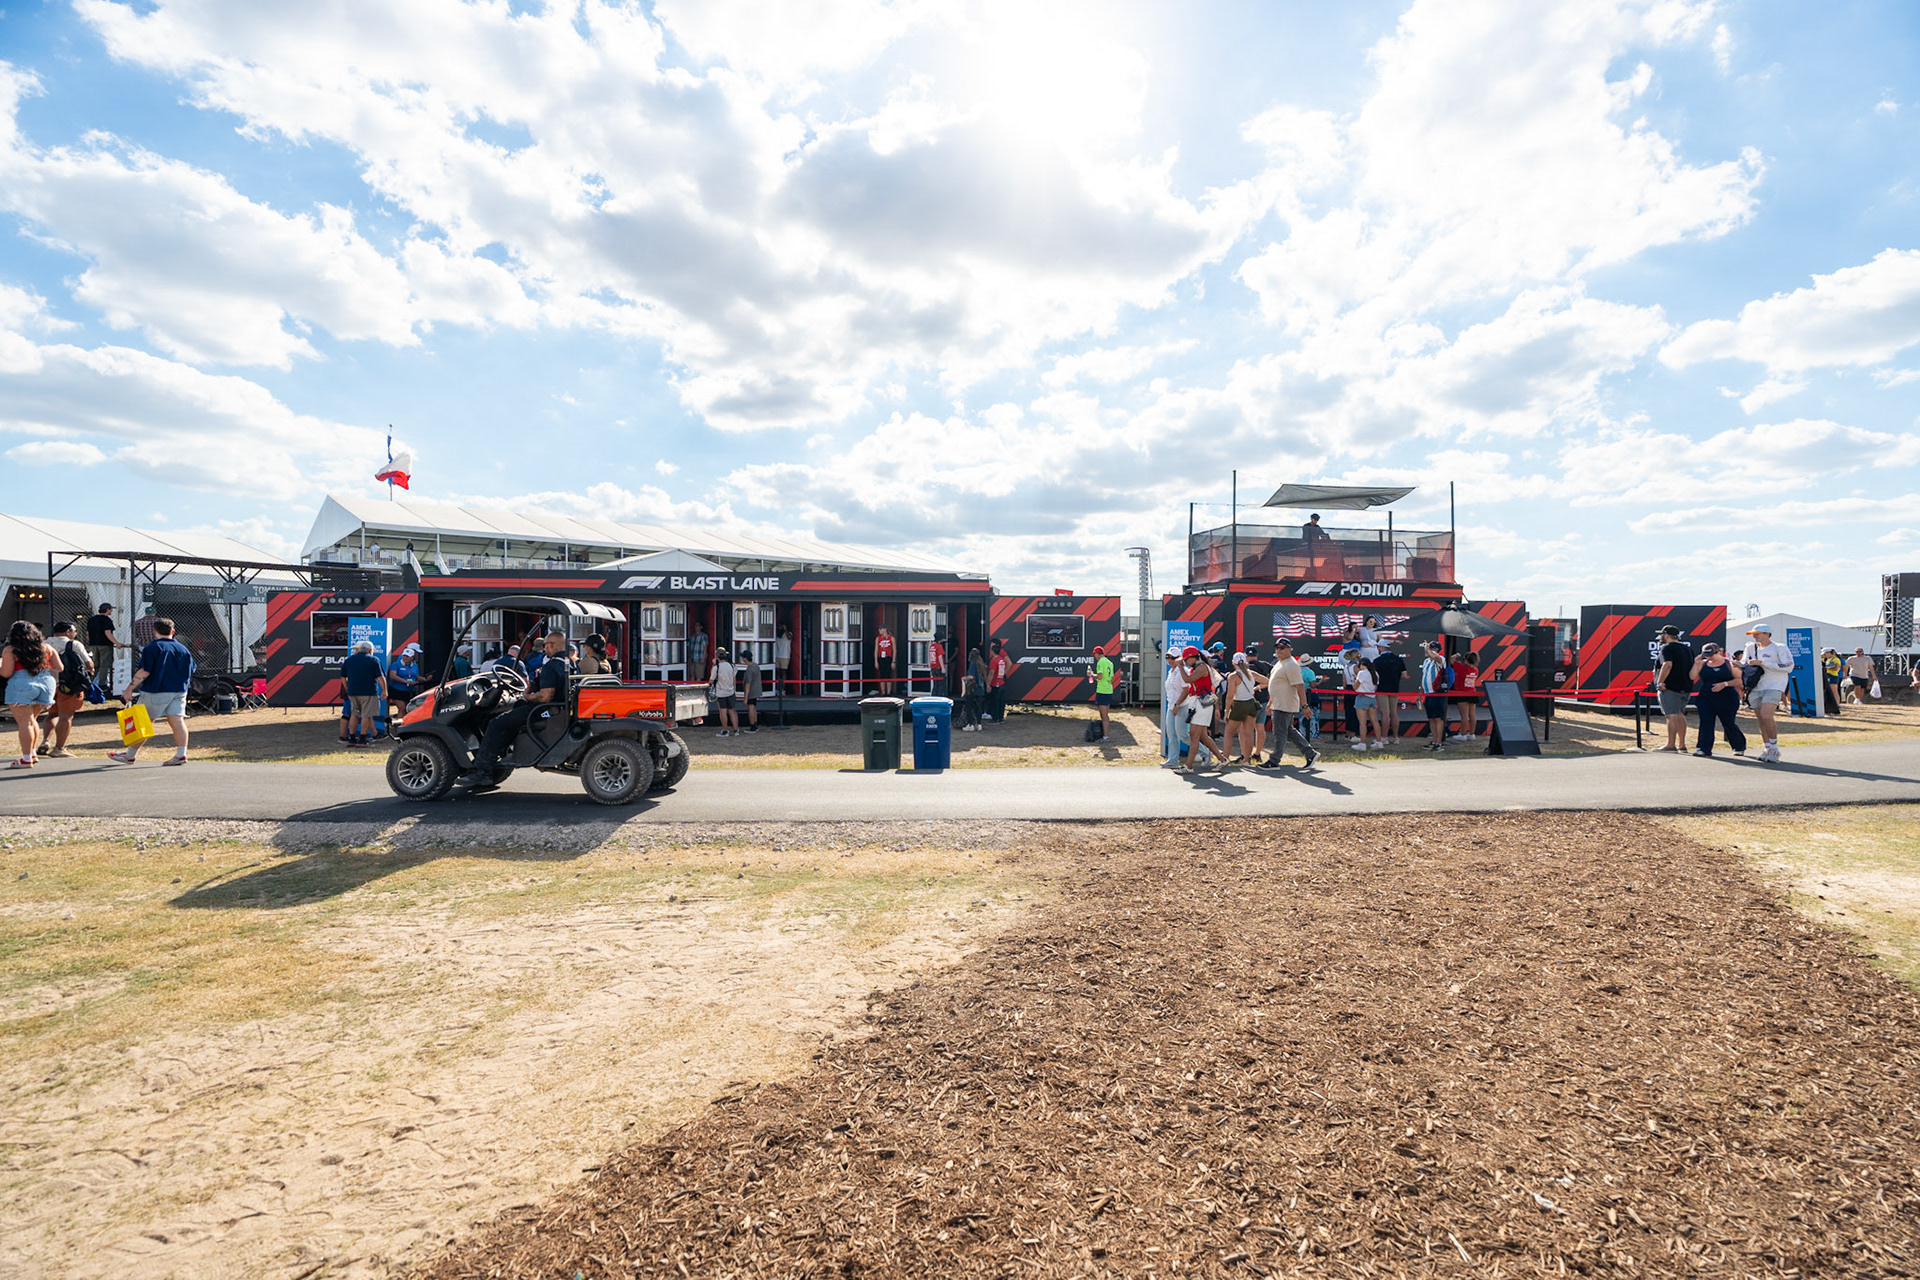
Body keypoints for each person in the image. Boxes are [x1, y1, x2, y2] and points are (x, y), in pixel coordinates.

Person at [456, 630, 570, 788]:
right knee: (514, 711)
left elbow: (545, 696)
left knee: (496, 723)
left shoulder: (551, 666)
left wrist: (528, 696)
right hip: (557, 709)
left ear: (551, 645)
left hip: (544, 710)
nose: (544, 649)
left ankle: (483, 771)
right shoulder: (570, 663)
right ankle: (498, 755)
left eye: (545, 646)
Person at [108, 616, 193, 766]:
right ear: (173, 631)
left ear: (154, 631)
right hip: (179, 690)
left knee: (144, 722)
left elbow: (144, 671)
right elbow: (191, 669)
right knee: (177, 720)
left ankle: (130, 755)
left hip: (156, 690)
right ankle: (181, 754)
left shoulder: (152, 648)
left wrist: (129, 689)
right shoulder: (183, 649)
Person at [4, 620, 62, 768]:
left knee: (25, 723)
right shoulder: (46, 648)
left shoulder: (11, 650)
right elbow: (59, 667)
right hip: (46, 683)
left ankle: (26, 758)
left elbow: (6, 673)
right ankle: (32, 752)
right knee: (32, 720)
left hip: (21, 684)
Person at [1258, 637, 1318, 768]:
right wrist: (1271, 702)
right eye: (1277, 647)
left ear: (1290, 649)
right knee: (1288, 730)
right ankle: (1310, 753)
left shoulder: (1291, 664)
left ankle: (1274, 760)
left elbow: (1299, 686)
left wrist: (1304, 706)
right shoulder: (1280, 663)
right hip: (1279, 703)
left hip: (1285, 704)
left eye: (1282, 647)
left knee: (1279, 732)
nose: (1279, 650)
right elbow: (1277, 684)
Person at [37, 620, 93, 758]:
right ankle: (59, 748)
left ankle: (45, 741)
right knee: (66, 716)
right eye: (74, 631)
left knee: (52, 714)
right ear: (68, 632)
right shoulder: (74, 644)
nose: (75, 633)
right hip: (69, 684)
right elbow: (88, 663)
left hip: (48, 683)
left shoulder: (44, 644)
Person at [1742, 624, 1793, 763]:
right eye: (1753, 634)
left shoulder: (1779, 647)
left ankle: (1774, 748)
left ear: (1767, 634)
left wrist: (1763, 663)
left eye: (1757, 633)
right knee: (1761, 718)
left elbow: (1788, 666)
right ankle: (1767, 747)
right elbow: (1743, 663)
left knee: (1766, 715)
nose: (1754, 636)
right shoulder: (1750, 647)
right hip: (1755, 686)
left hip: (1774, 685)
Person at [1690, 643, 1747, 757]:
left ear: (1718, 652)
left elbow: (1740, 679)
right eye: (1706, 655)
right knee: (1706, 722)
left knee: (1728, 722)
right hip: (1706, 697)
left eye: (1711, 654)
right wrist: (1696, 663)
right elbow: (1692, 676)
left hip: (1727, 697)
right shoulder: (1703, 663)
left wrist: (1725, 684)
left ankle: (1739, 746)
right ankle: (1703, 748)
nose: (1709, 657)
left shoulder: (1729, 663)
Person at [1179, 647, 1222, 772]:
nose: (1185, 662)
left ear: (1193, 657)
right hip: (1198, 704)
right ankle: (1222, 759)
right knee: (1203, 736)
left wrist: (1180, 667)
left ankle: (1188, 766)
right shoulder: (1197, 667)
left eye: (1186, 659)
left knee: (1194, 736)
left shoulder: (1202, 667)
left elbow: (1188, 679)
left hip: (1201, 705)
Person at [1654, 624, 1694, 752]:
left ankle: (1670, 745)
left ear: (1666, 635)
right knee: (1680, 714)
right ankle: (1682, 745)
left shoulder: (1666, 648)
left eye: (1662, 634)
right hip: (1685, 687)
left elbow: (1667, 664)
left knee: (1671, 715)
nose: (1661, 637)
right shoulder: (1687, 649)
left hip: (1670, 687)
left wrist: (1660, 682)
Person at [340, 639, 387, 747]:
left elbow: (343, 677)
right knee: (366, 715)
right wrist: (384, 690)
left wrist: (347, 688)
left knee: (354, 715)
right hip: (368, 692)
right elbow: (380, 677)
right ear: (370, 650)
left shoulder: (349, 660)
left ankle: (352, 738)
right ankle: (362, 739)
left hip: (353, 692)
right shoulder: (374, 660)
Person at [1223, 652, 1262, 764]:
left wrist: (1226, 711)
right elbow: (1267, 681)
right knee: (1249, 734)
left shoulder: (1233, 676)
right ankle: (1246, 760)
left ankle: (1225, 759)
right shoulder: (1251, 673)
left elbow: (1230, 696)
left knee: (1228, 733)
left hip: (1239, 704)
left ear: (1233, 663)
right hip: (1251, 704)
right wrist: (1255, 689)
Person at [86, 602, 125, 697]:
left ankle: (91, 681)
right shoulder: (106, 620)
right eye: (110, 609)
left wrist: (91, 642)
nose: (111, 611)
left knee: (95, 664)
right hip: (104, 644)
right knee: (104, 664)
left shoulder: (91, 619)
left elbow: (87, 634)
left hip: (93, 644)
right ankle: (102, 684)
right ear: (107, 610)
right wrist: (116, 643)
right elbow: (108, 633)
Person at [1419, 641, 1451, 751]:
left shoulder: (1441, 659)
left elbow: (1435, 657)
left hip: (1437, 693)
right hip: (1428, 694)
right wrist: (1420, 693)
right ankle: (1433, 741)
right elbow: (1424, 677)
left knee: (1438, 718)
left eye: (1430, 648)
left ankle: (1439, 742)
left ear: (1435, 650)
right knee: (1431, 718)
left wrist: (1427, 648)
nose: (1426, 651)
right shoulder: (1426, 661)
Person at [1373, 642, 1407, 743]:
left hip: (1382, 689)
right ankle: (1396, 737)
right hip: (1394, 689)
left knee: (1385, 713)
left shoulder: (1377, 661)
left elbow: (1374, 677)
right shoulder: (1398, 659)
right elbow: (1404, 675)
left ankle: (1384, 737)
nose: (1378, 649)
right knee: (1394, 713)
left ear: (1382, 648)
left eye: (1378, 647)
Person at [1351, 655, 1385, 750]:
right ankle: (1379, 741)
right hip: (1372, 697)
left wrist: (1353, 680)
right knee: (1375, 721)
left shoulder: (1362, 673)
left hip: (1362, 697)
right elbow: (1375, 687)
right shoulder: (1375, 673)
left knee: (1362, 723)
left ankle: (1362, 744)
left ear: (1362, 665)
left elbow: (1355, 687)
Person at [1160, 647, 1185, 766]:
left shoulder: (1182, 671)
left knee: (1183, 735)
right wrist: (1173, 706)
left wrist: (1177, 705)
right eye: (1168, 657)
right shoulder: (1171, 672)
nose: (1170, 660)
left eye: (1173, 658)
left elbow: (1186, 690)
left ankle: (1205, 752)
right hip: (1171, 706)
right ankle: (1173, 760)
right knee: (1171, 733)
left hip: (1181, 706)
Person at [1088, 644, 1116, 743]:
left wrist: (1091, 674)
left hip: (1102, 690)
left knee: (1104, 715)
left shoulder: (1101, 662)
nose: (1094, 657)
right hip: (1108, 690)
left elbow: (1099, 676)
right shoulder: (1109, 662)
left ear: (1097, 654)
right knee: (1105, 715)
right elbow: (1110, 677)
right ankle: (1105, 735)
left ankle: (1105, 736)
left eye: (1094, 655)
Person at [1450, 650, 1480, 740]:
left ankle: (1463, 734)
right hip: (1472, 692)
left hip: (1462, 692)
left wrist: (1456, 655)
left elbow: (1451, 659)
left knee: (1464, 715)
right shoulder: (1475, 670)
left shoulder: (1461, 668)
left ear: (1467, 660)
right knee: (1472, 714)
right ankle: (1472, 733)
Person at [710, 647, 740, 737]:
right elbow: (734, 678)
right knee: (732, 711)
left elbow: (711, 680)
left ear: (717, 656)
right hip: (730, 691)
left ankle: (725, 730)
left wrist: (713, 665)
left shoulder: (716, 667)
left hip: (721, 692)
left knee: (723, 711)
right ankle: (736, 730)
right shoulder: (731, 666)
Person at [387, 643, 422, 716]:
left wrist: (425, 679)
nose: (405, 658)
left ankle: (404, 722)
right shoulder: (396, 664)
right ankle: (399, 722)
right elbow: (392, 675)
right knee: (402, 708)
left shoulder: (414, 665)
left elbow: (416, 676)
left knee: (407, 709)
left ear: (412, 657)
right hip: (397, 690)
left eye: (407, 656)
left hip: (410, 691)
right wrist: (406, 681)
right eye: (404, 656)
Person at [959, 646, 986, 731]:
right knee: (979, 707)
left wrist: (964, 678)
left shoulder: (973, 664)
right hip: (980, 689)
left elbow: (971, 676)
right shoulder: (982, 664)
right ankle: (979, 724)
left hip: (972, 688)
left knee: (969, 706)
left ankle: (970, 724)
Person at [986, 640, 1011, 723]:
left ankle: (995, 718)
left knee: (995, 701)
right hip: (1001, 682)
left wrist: (988, 684)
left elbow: (991, 673)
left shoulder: (994, 660)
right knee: (1001, 701)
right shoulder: (1001, 660)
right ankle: (1001, 718)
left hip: (996, 683)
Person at [742, 651, 762, 732]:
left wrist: (745, 697)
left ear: (745, 658)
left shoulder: (749, 670)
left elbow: (748, 684)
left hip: (751, 692)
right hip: (756, 690)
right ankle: (755, 724)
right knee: (753, 708)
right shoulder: (756, 666)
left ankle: (752, 726)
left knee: (750, 708)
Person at [1821, 648, 1844, 715]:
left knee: (1834, 691)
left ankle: (1837, 704)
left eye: (1825, 654)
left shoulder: (1836, 659)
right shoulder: (1827, 659)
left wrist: (1828, 667)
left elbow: (1836, 668)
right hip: (1827, 675)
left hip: (1833, 676)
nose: (1824, 655)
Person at [875, 627, 896, 692]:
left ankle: (888, 692)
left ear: (885, 629)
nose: (879, 630)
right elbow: (876, 650)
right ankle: (883, 691)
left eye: (880, 629)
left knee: (888, 674)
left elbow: (894, 650)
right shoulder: (878, 638)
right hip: (881, 658)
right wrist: (876, 661)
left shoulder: (891, 638)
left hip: (888, 658)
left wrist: (893, 661)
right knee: (882, 675)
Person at [775, 627, 792, 696]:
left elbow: (789, 637)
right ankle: (776, 689)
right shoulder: (776, 634)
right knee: (777, 672)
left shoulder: (788, 633)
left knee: (783, 672)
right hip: (777, 655)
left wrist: (786, 629)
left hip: (785, 655)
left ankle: (783, 689)